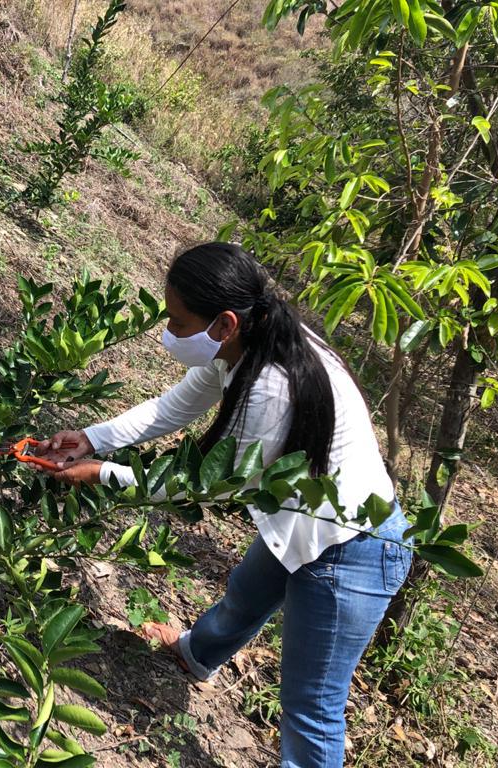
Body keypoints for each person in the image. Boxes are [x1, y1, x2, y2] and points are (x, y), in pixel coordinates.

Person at [35, 242, 412, 768]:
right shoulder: (251, 343)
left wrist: (103, 474)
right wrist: (92, 439)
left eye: (178, 321)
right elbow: (174, 406)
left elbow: (207, 484)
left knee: (312, 708)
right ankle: (197, 654)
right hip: (302, 522)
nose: (169, 331)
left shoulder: (270, 388)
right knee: (244, 598)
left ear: (225, 322)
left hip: (352, 549)